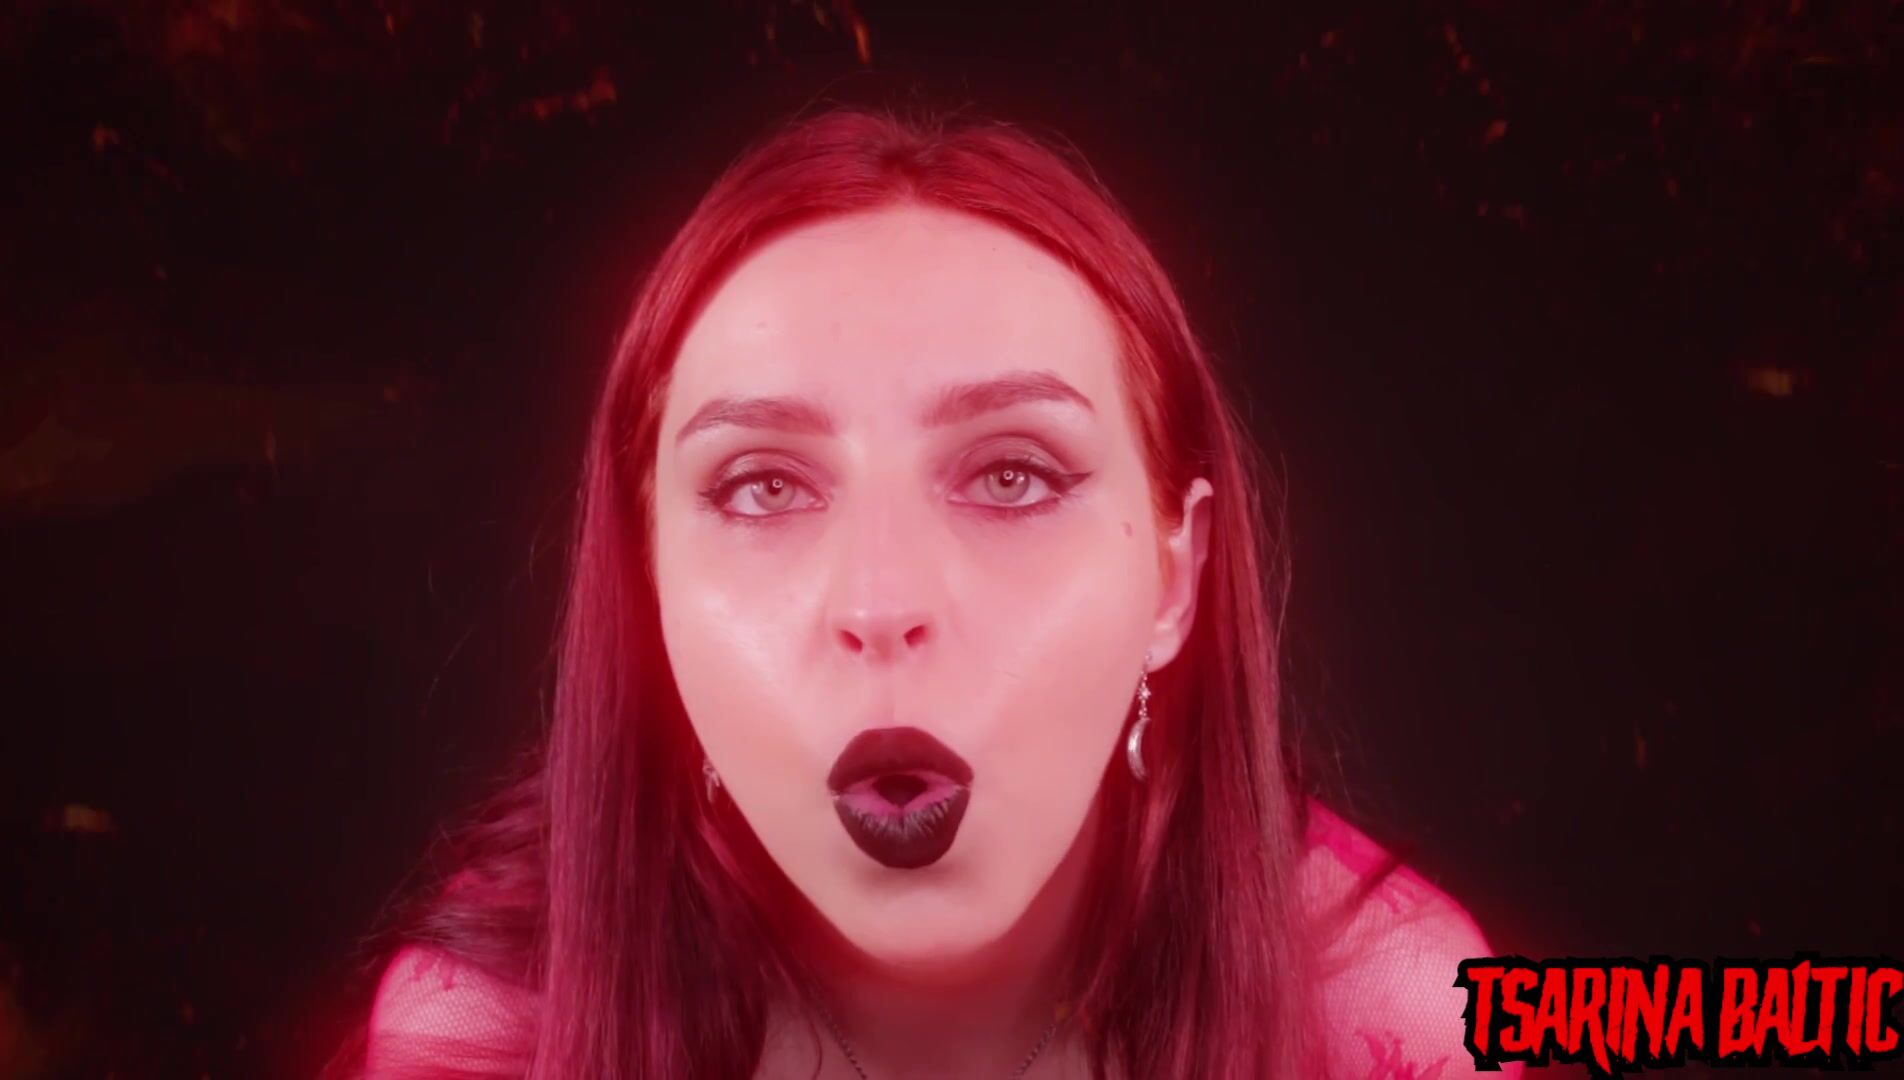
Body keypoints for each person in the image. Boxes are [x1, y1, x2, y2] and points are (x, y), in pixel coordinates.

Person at [323, 103, 1520, 1080]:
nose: (880, 601)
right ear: (647, 599)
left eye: (1011, 475)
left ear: (1174, 579)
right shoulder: (488, 1034)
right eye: (761, 487)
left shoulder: (1397, 1023)